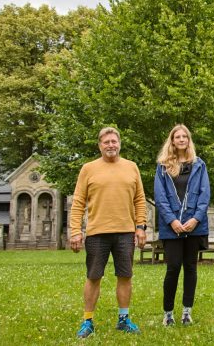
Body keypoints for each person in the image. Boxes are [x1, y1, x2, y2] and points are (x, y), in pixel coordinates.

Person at [70, 127, 147, 338]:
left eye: (114, 141)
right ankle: (88, 321)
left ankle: (123, 319)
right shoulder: (88, 169)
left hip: (125, 232)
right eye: (106, 142)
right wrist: (75, 231)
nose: (111, 145)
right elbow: (78, 202)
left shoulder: (132, 167)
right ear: (100, 145)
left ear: (119, 143)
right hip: (97, 233)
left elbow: (140, 199)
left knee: (125, 275)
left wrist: (140, 226)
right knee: (94, 276)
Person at [154, 125, 210, 327]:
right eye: (177, 136)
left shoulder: (199, 165)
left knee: (190, 268)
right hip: (172, 227)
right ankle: (168, 313)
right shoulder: (162, 167)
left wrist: (195, 219)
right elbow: (160, 198)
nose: (181, 139)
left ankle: (187, 312)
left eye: (184, 136)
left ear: (188, 140)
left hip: (194, 225)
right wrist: (172, 221)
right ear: (172, 140)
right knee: (173, 267)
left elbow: (204, 196)